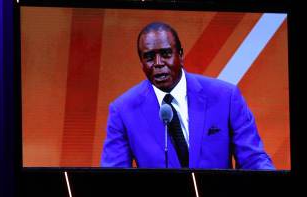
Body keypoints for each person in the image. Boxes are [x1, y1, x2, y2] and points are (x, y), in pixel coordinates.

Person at [101, 21, 275, 170]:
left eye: (166, 54)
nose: (159, 64)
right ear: (141, 63)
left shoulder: (226, 97)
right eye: (149, 57)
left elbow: (253, 159)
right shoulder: (123, 111)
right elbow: (114, 178)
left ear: (181, 55)